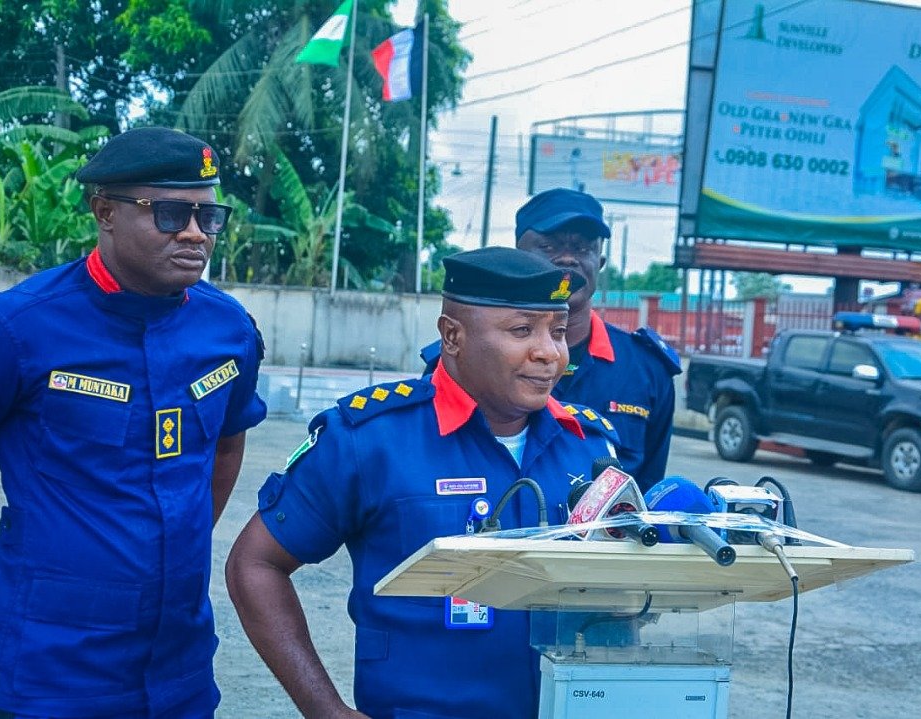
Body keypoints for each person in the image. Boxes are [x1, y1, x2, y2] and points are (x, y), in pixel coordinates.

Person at [0, 127, 267, 719]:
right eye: (170, 214)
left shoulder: (230, 332)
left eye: (209, 216)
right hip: (46, 680)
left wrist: (162, 549)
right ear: (105, 212)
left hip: (181, 678)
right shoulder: (11, 332)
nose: (195, 233)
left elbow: (225, 447)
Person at [226, 247, 619, 719]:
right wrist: (325, 709)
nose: (549, 353)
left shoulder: (589, 447)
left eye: (557, 331)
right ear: (452, 336)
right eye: (521, 330)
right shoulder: (371, 439)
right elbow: (256, 564)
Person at [422, 188, 680, 492]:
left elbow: (646, 495)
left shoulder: (647, 370)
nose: (568, 258)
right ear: (518, 254)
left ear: (600, 261)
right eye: (548, 246)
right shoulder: (463, 360)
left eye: (583, 248)